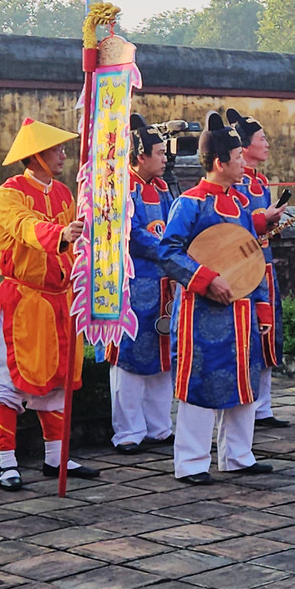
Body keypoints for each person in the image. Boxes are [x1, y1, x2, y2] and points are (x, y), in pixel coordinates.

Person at [158, 112, 274, 484]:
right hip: (201, 310)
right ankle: (191, 461)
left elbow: (248, 258)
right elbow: (169, 252)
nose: (244, 163)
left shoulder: (239, 203)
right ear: (220, 162)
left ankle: (238, 455)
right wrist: (205, 279)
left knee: (244, 379)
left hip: (240, 310)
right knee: (200, 382)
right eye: (238, 157)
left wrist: (260, 303)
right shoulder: (189, 204)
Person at [0, 118, 98, 491]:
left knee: (57, 379)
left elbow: (78, 237)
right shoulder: (9, 194)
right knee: (6, 379)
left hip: (59, 297)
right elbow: (23, 225)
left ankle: (56, 456)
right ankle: (6, 462)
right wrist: (60, 234)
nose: (64, 154)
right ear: (36, 156)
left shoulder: (66, 194)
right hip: (23, 298)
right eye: (56, 149)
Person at [108, 115, 176, 453]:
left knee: (163, 357)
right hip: (133, 285)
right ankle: (128, 432)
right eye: (159, 153)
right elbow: (129, 234)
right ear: (139, 155)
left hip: (163, 283)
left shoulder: (164, 188)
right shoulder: (123, 187)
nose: (165, 159)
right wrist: (168, 250)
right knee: (130, 360)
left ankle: (159, 427)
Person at [226, 109, 288, 430]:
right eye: (262, 139)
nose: (266, 145)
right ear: (245, 147)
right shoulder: (235, 182)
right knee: (249, 329)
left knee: (269, 328)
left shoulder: (261, 180)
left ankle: (263, 405)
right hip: (243, 262)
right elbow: (233, 226)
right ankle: (246, 400)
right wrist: (265, 219)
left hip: (264, 259)